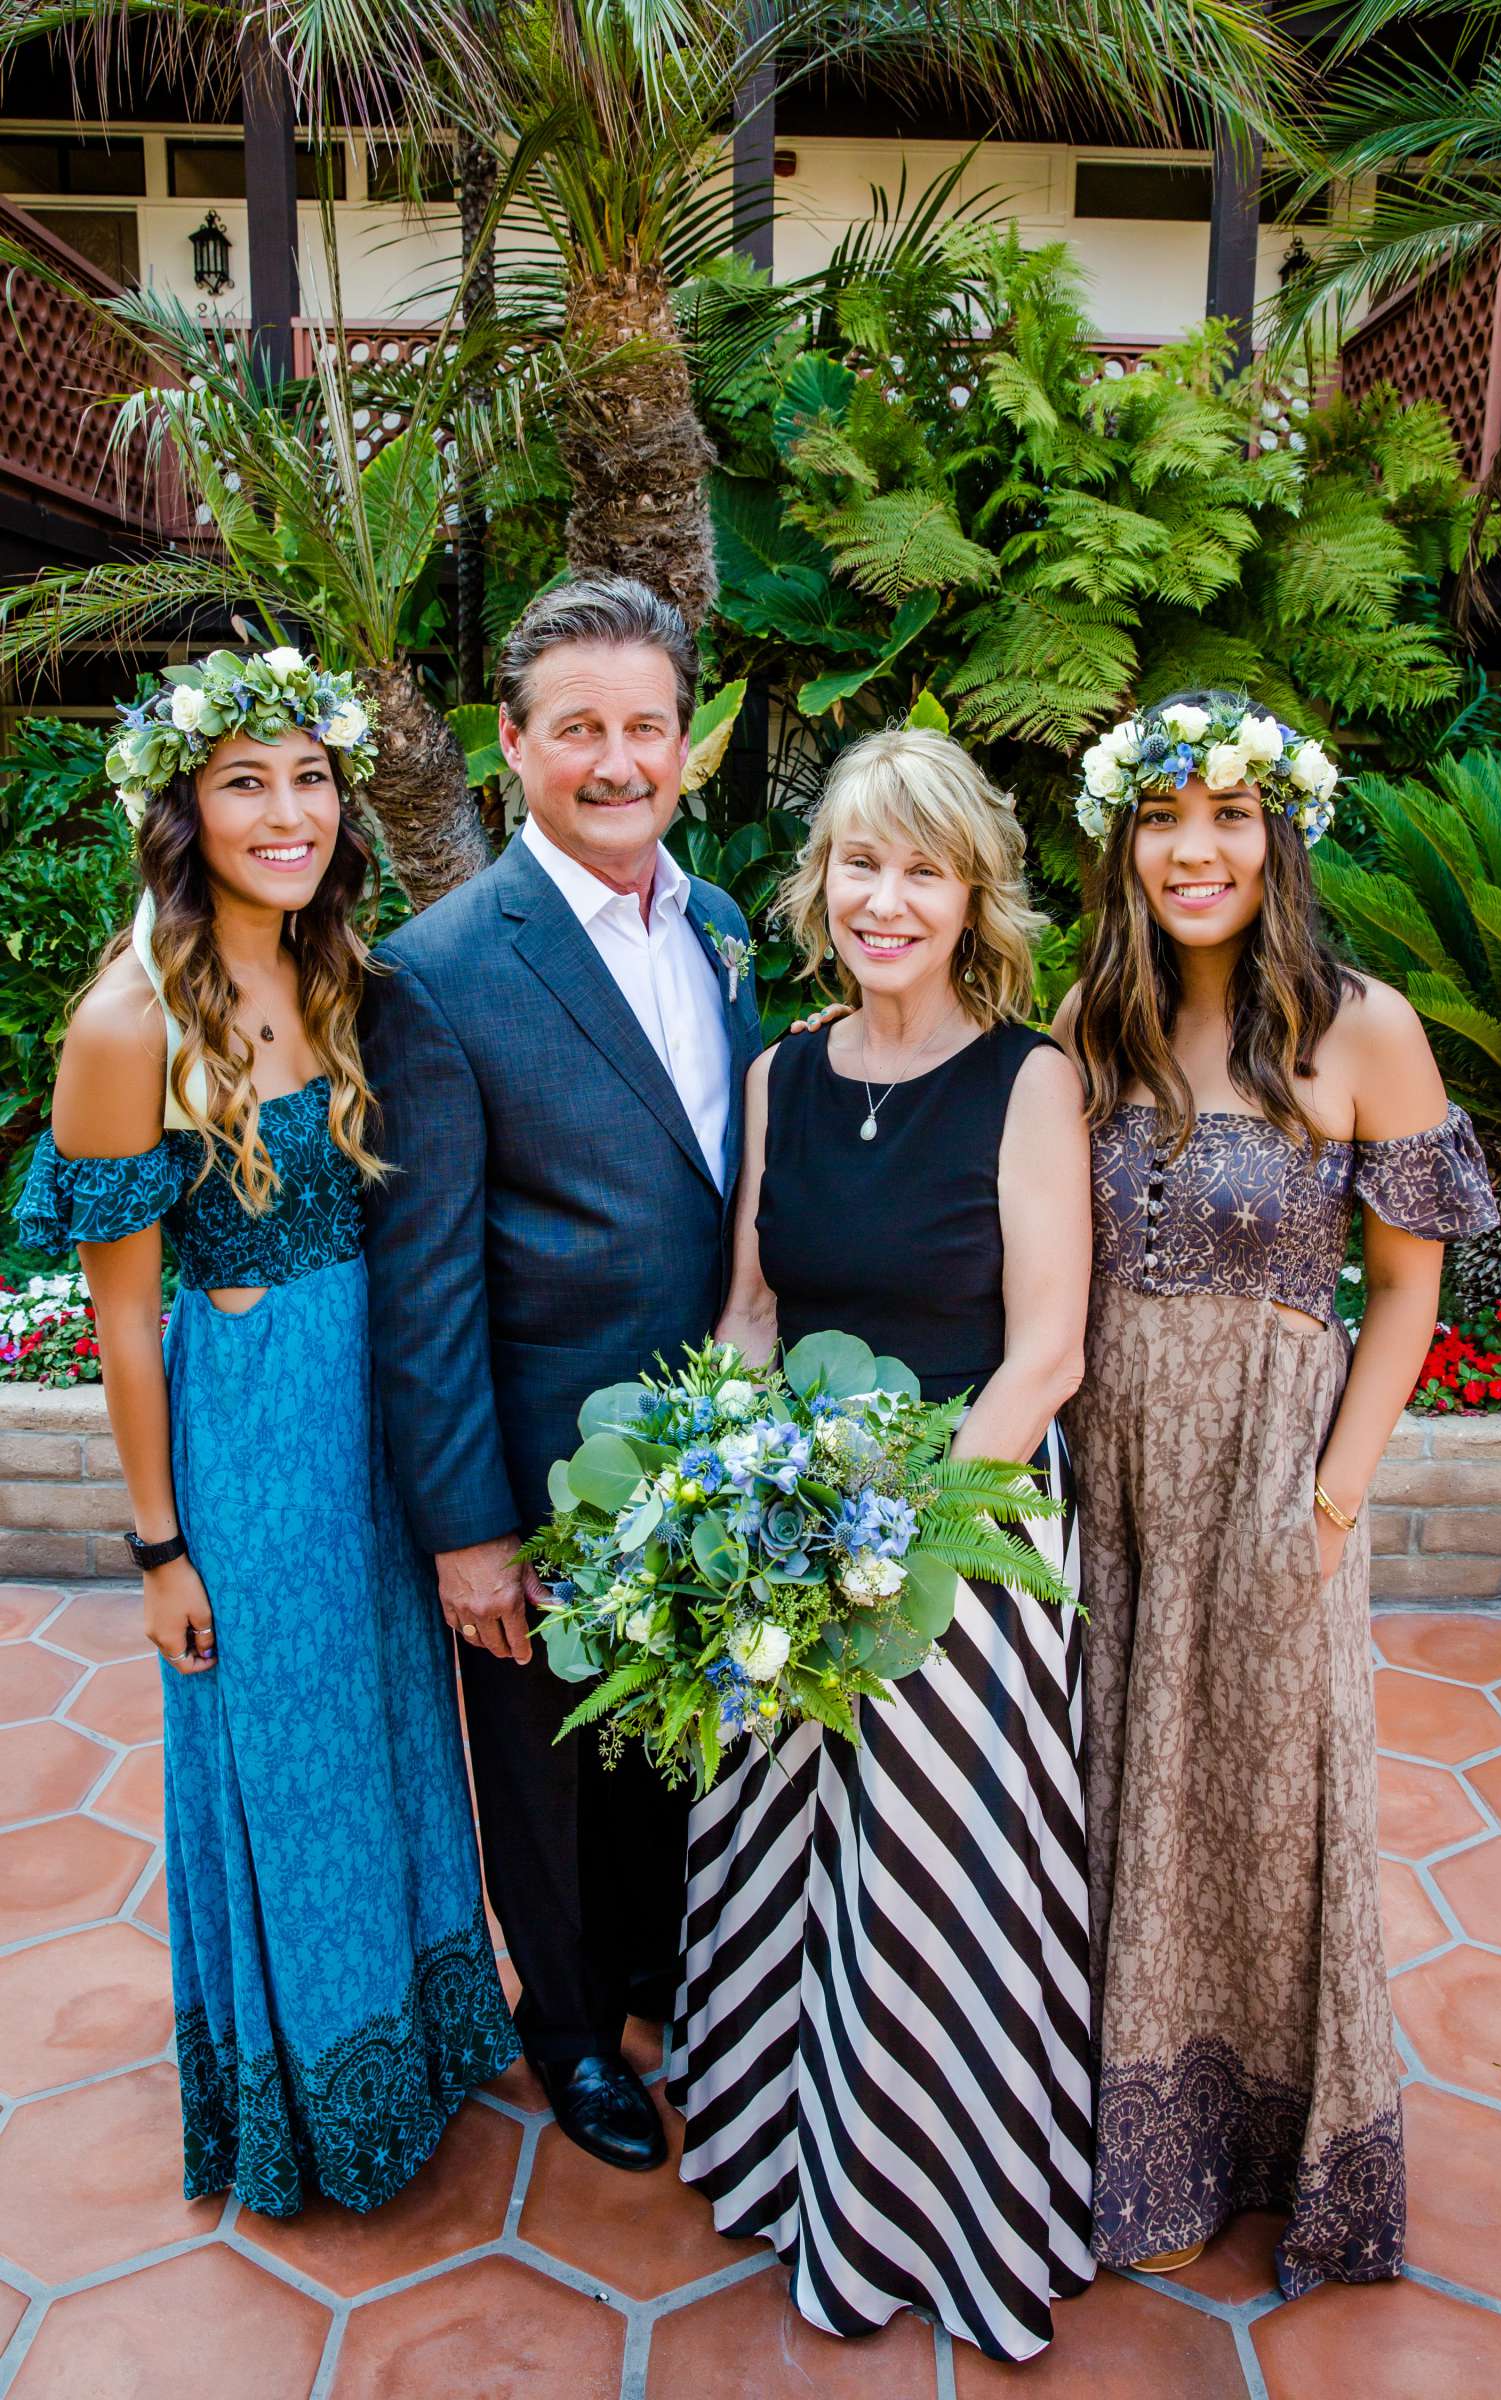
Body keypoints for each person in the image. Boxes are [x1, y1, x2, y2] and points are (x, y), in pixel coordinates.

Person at [14, 649, 517, 2216]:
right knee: (289, 1750)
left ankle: (427, 2032)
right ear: (184, 809)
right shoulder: (124, 1025)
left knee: (393, 1718)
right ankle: (318, 2097)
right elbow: (120, 1318)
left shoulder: (340, 972)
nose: (287, 811)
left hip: (383, 1412)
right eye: (246, 780)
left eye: (309, 777)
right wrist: (160, 1546)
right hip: (254, 1439)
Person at [1057, 692, 1498, 2294]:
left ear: (1280, 835)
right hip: (1109, 1462)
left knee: (1271, 1792)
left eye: (1229, 816)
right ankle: (1120, 2128)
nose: (1195, 849)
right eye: (1165, 818)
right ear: (1125, 841)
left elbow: (1407, 1290)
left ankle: (1275, 2138)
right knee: (1124, 1780)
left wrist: (1332, 1501)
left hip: (1270, 1466)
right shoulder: (1088, 1023)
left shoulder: (1360, 1026)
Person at [670, 726, 1096, 2363]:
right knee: (789, 1857)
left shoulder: (1029, 1077)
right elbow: (758, 1309)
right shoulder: (783, 1072)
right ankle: (795, 2158)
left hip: (960, 1545)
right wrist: (721, 1499)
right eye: (861, 861)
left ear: (975, 891)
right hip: (789, 1542)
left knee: (927, 1876)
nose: (887, 897)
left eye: (922, 866)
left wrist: (884, 1543)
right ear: (820, 884)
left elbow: (1046, 1353)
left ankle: (933, 2199)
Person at [362, 576, 763, 2173]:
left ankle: (669, 1977)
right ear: (511, 746)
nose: (617, 760)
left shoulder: (727, 927)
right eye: (578, 728)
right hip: (532, 1456)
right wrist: (467, 1526)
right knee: (544, 1776)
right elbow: (427, 1275)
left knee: (678, 1744)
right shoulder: (440, 969)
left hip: (708, 1449)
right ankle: (575, 2035)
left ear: (686, 744)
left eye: (646, 727)